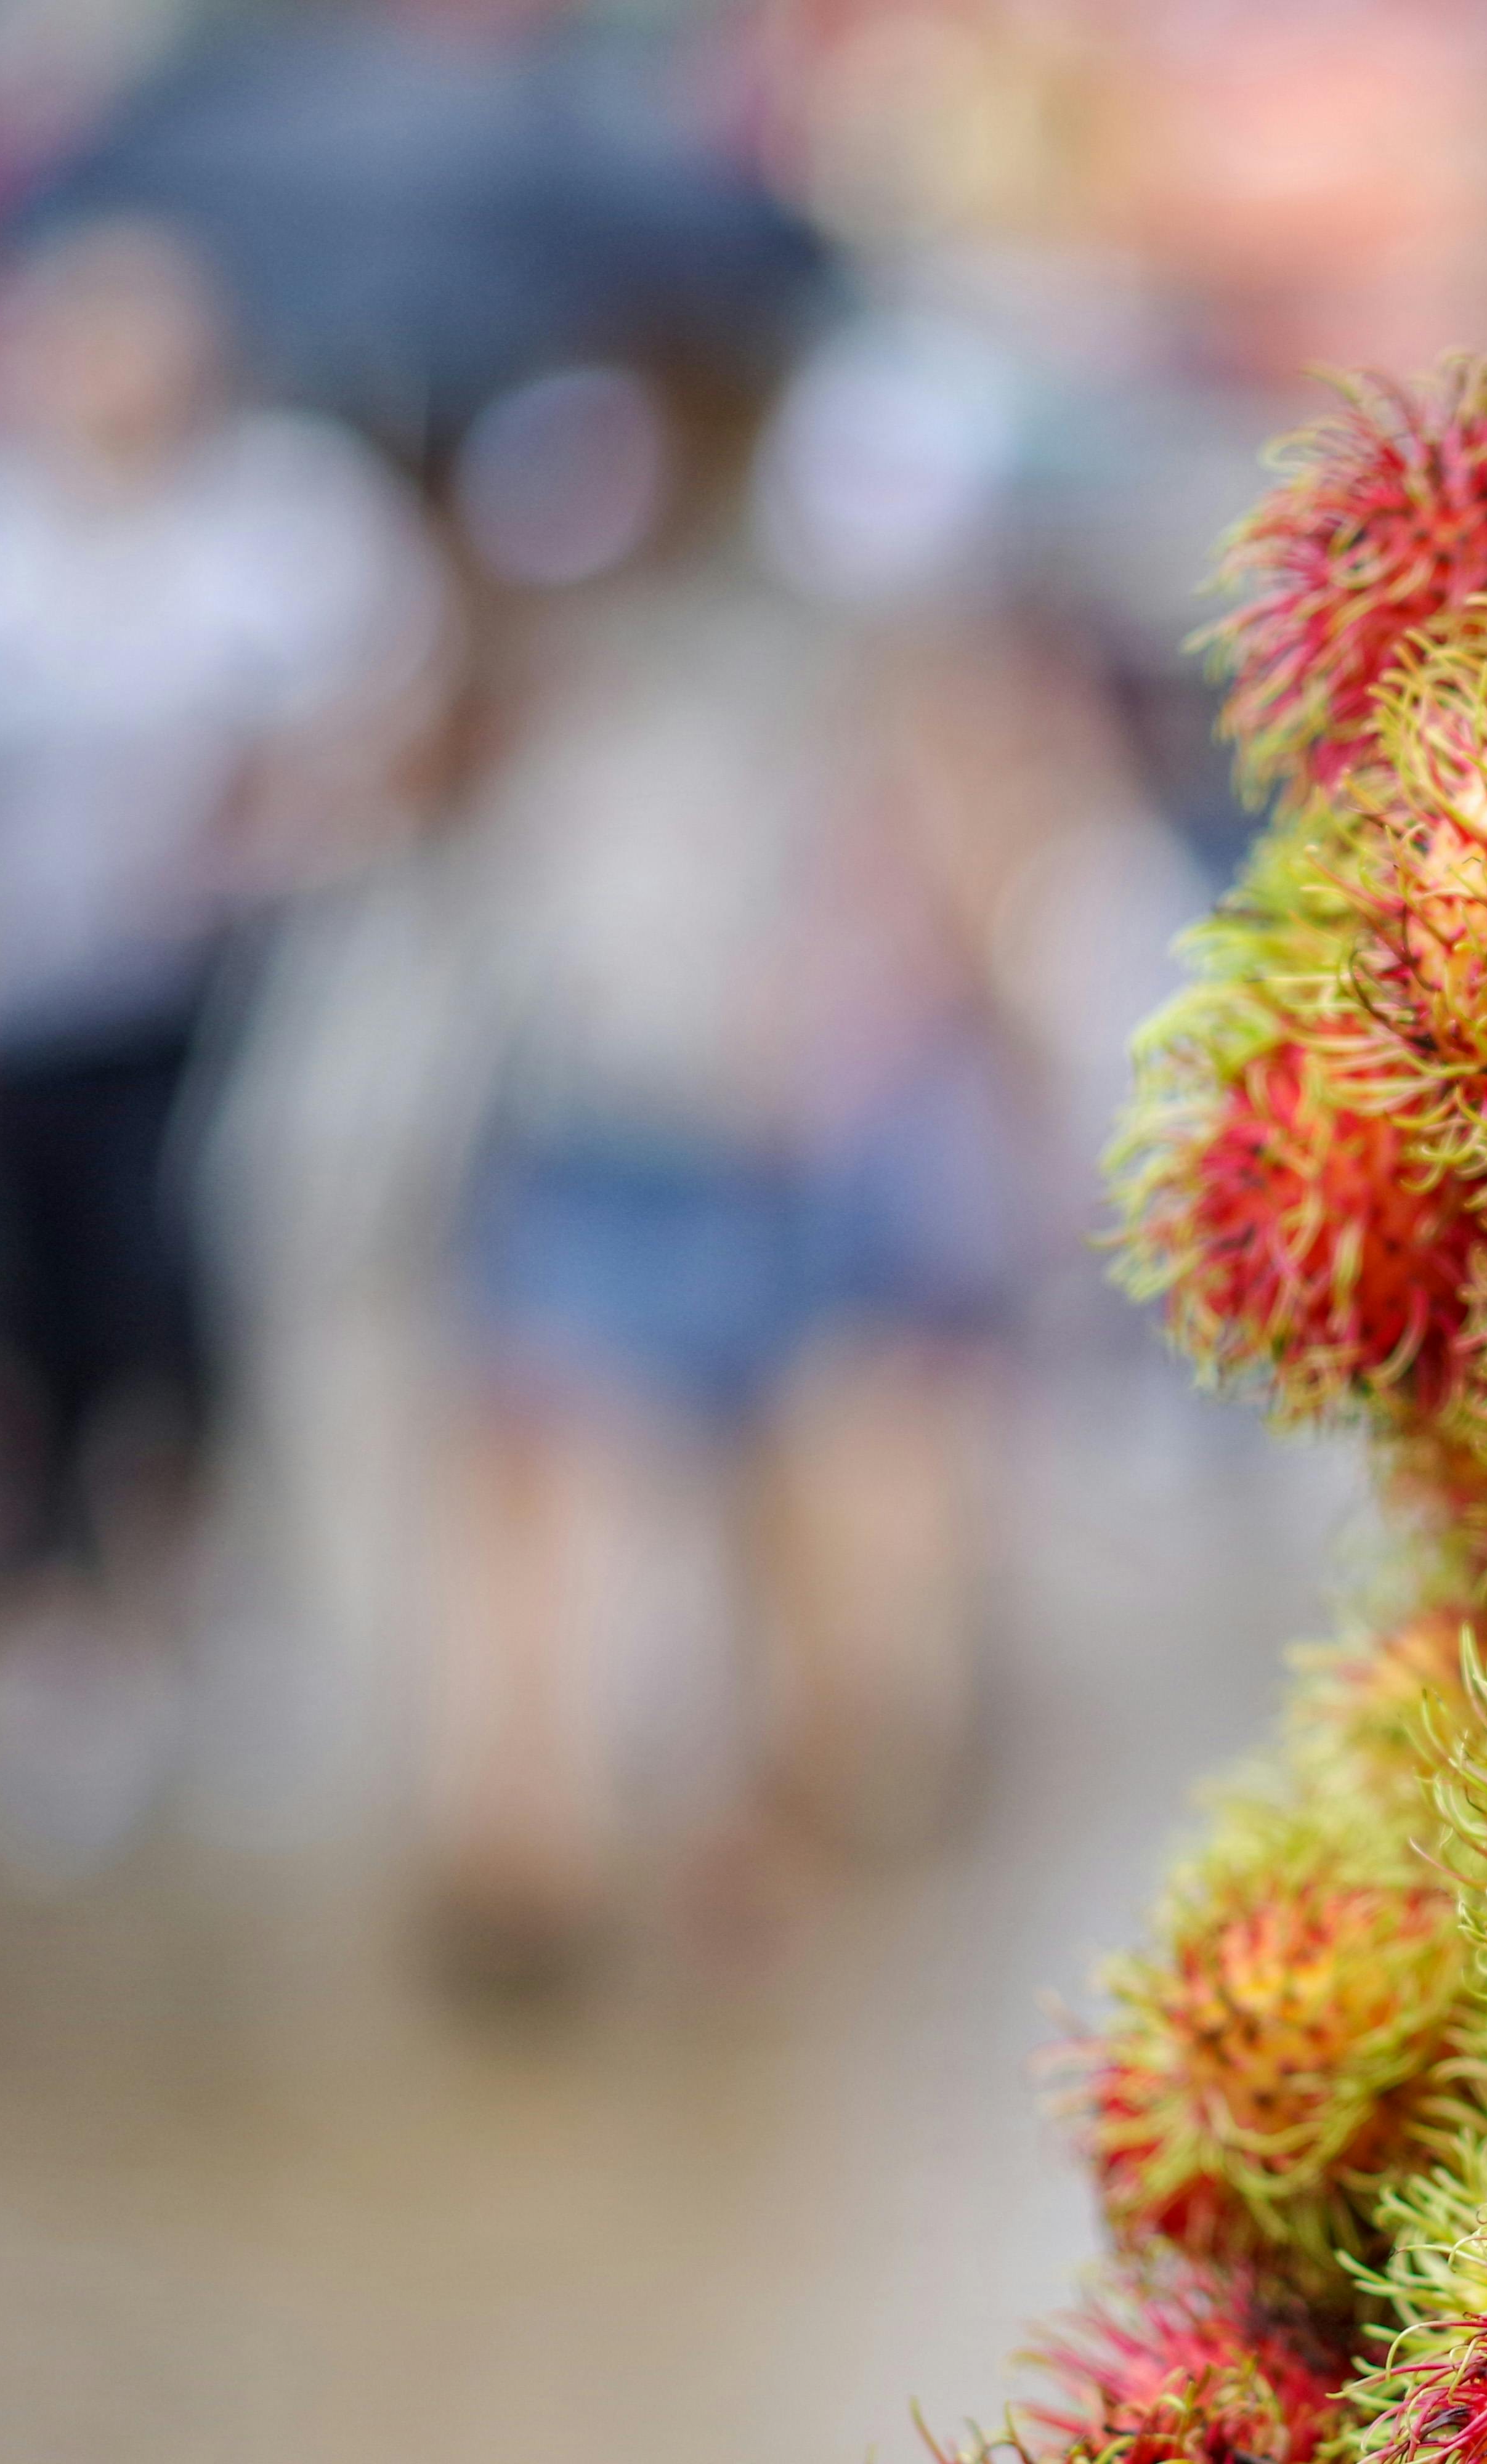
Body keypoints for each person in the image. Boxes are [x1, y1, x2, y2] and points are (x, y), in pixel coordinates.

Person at [425, 341, 1100, 1981]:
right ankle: (565, 1823)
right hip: (628, 1114)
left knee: (716, 1490)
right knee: (603, 1482)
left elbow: (947, 847)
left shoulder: (771, 634)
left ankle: (639, 1830)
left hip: (729, 1120)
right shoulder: (578, 627)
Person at [0, 217, 446, 1879]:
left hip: (234, 1001)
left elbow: (398, 718)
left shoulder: (282, 525)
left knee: (191, 1302)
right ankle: (62, 1630)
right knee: (36, 1325)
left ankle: (181, 1596)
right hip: (21, 1017)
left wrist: (286, 795)